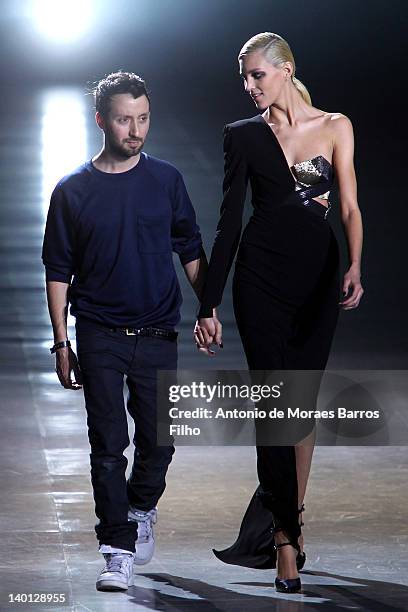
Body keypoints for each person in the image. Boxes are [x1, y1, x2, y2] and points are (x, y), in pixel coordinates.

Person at [195, 32, 364, 594]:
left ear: (285, 70)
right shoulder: (243, 137)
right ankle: (285, 544)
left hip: (317, 280)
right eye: (243, 78)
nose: (248, 87)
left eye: (256, 75)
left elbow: (347, 205)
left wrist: (356, 266)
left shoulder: (335, 125)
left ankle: (289, 517)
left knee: (302, 408)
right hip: (260, 281)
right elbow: (228, 224)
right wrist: (207, 301)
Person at [42, 71, 207, 592]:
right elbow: (57, 269)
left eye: (143, 118)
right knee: (108, 445)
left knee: (160, 440)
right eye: (123, 119)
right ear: (101, 121)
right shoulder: (72, 191)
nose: (135, 130)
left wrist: (209, 308)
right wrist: (61, 341)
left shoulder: (167, 180)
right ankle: (116, 549)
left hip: (159, 329)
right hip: (99, 332)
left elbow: (190, 248)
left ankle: (139, 509)